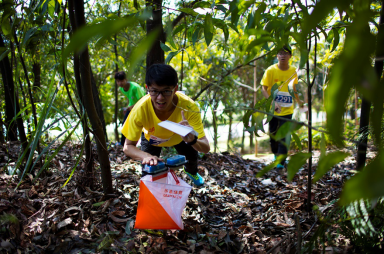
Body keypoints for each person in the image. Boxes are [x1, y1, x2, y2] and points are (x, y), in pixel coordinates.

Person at [121, 64, 210, 186]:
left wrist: (193, 140)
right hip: (152, 138)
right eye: (154, 91)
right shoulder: (140, 109)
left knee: (191, 159)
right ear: (147, 88)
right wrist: (145, 156)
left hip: (180, 137)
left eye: (166, 91)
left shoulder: (189, 107)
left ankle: (191, 172)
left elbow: (206, 148)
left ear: (175, 89)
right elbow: (128, 146)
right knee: (149, 173)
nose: (160, 98)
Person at [261, 45, 303, 169]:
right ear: (277, 55)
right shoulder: (270, 70)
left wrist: (299, 101)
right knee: (273, 135)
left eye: (285, 53)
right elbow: (263, 88)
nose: (282, 56)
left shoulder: (294, 71)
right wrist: (273, 103)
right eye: (280, 53)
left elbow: (293, 88)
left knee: (284, 136)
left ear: (290, 56)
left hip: (287, 109)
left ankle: (281, 161)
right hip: (273, 109)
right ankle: (276, 154)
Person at [114, 71, 146, 146]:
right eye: (118, 81)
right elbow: (129, 98)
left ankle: (138, 144)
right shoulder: (122, 89)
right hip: (132, 109)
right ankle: (123, 144)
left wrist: (130, 107)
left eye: (121, 81)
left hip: (141, 108)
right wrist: (127, 107)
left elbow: (143, 100)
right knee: (125, 124)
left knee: (141, 126)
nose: (120, 83)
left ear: (126, 79)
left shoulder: (135, 87)